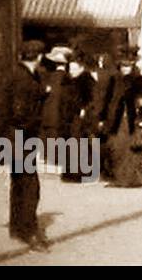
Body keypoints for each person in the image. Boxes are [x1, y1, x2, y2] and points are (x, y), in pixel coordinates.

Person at [6, 41, 50, 251]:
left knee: (19, 183)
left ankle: (16, 227)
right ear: (39, 57)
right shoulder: (24, 79)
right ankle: (30, 232)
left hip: (12, 138)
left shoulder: (18, 74)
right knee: (31, 187)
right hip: (22, 137)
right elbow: (20, 112)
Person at [99, 46, 142, 188]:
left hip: (132, 120)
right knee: (116, 149)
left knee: (132, 150)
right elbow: (106, 99)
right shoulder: (114, 80)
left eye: (128, 66)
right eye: (123, 65)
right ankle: (117, 178)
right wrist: (102, 117)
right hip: (115, 120)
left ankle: (131, 179)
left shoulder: (140, 80)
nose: (125, 68)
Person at [59, 52, 97, 183]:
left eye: (74, 68)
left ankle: (82, 172)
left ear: (81, 68)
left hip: (80, 118)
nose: (71, 71)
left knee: (80, 144)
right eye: (70, 68)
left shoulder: (87, 81)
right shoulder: (68, 81)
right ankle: (71, 172)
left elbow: (92, 100)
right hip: (69, 118)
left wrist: (84, 111)